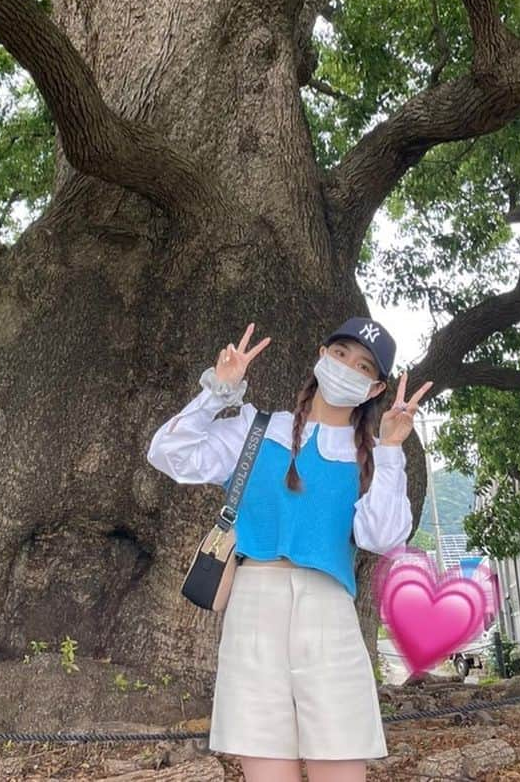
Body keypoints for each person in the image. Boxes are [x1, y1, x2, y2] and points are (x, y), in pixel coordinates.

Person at [147, 316, 433, 782]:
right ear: (321, 354)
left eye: (363, 367)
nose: (347, 368)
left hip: (329, 613)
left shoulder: (370, 456)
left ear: (375, 388)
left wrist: (393, 448)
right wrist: (218, 391)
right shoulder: (257, 429)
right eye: (341, 354)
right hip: (253, 603)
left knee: (339, 766)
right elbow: (168, 453)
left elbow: (383, 537)